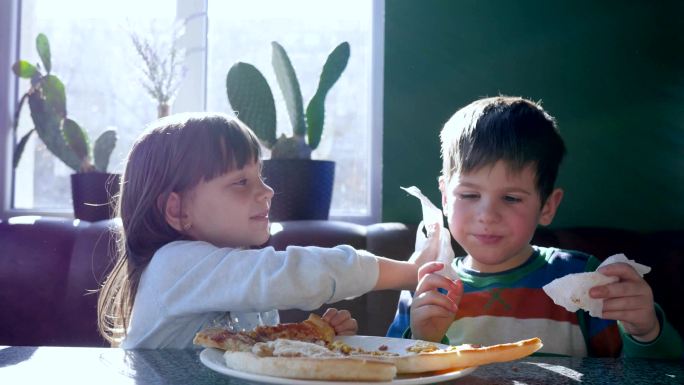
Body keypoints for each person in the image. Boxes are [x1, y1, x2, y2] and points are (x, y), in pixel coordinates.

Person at [97, 112, 447, 349]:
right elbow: (298, 274)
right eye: (240, 182)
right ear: (177, 209)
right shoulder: (174, 265)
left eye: (260, 176)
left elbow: (249, 354)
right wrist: (409, 272)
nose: (267, 191)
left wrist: (311, 338)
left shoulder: (236, 273)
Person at [387, 96, 683, 358]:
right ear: (445, 199)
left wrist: (645, 330)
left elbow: (647, 374)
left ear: (547, 207)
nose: (487, 214)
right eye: (469, 195)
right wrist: (423, 341)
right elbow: (388, 368)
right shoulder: (424, 287)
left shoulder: (583, 279)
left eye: (511, 198)